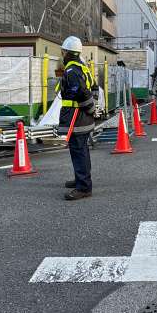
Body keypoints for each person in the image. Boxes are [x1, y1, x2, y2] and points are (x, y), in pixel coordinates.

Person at [56, 36, 98, 201]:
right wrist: (92, 108)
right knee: (81, 150)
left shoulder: (72, 70)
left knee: (78, 150)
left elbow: (82, 93)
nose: (62, 53)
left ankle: (84, 187)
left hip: (76, 116)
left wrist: (91, 108)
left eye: (63, 51)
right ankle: (81, 179)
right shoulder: (82, 67)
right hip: (82, 116)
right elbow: (94, 87)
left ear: (67, 52)